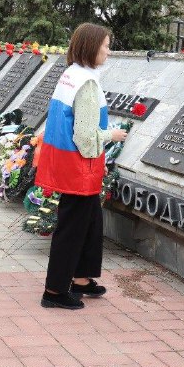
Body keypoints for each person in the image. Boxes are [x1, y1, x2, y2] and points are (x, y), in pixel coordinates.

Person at [35, 23, 128, 310]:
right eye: (106, 46)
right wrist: (111, 135)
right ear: (91, 47)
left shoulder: (72, 74)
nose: (109, 52)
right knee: (73, 228)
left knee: (89, 222)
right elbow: (86, 138)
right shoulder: (86, 84)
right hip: (79, 166)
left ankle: (81, 279)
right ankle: (54, 291)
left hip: (68, 163)